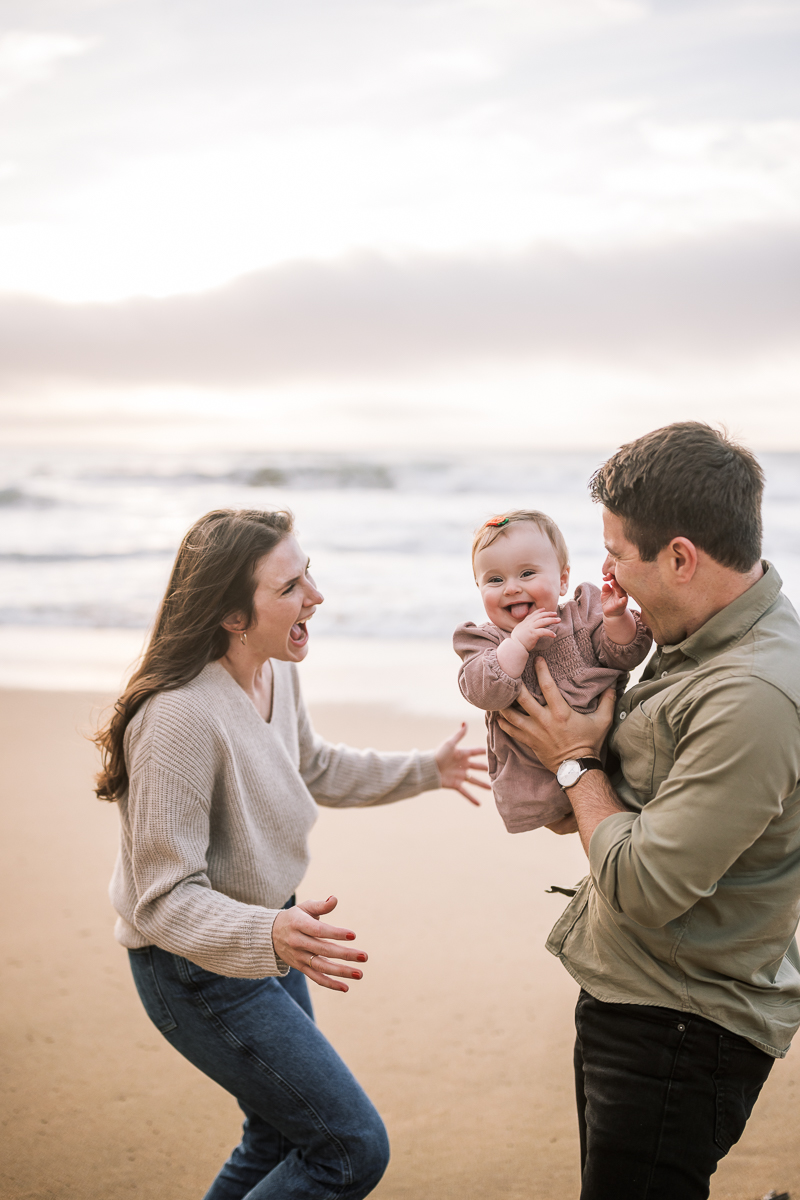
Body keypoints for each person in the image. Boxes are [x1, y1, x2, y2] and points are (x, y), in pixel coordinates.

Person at [94, 507, 488, 1200]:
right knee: (349, 1149)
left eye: (309, 574)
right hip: (191, 967)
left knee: (280, 1137)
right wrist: (268, 932)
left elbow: (313, 764)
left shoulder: (277, 669)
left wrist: (429, 768)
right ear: (231, 616)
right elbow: (162, 901)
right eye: (289, 587)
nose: (316, 597)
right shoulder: (177, 718)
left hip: (268, 936)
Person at [498, 422, 800, 1199]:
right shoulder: (690, 632)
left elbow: (644, 886)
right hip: (634, 987)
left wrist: (573, 760)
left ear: (679, 557)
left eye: (618, 554)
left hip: (681, 1022)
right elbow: (627, 801)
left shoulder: (751, 696)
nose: (606, 575)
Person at [453, 509, 651, 832]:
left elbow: (624, 654)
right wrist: (517, 644)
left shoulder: (583, 616)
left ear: (562, 580)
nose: (511, 588)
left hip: (611, 765)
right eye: (495, 579)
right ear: (478, 587)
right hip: (534, 788)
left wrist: (617, 619)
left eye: (527, 573)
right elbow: (482, 690)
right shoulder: (486, 642)